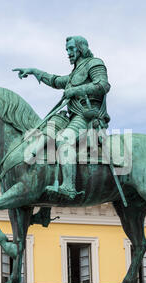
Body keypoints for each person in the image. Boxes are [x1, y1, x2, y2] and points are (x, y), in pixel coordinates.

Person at [13, 36, 111, 200]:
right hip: (72, 117)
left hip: (87, 116)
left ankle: (68, 186)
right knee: (46, 131)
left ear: (81, 48)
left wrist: (76, 91)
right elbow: (55, 80)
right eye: (67, 50)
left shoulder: (94, 63)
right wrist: (34, 71)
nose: (69, 53)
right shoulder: (75, 73)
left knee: (64, 140)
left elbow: (103, 85)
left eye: (71, 49)